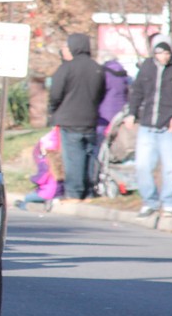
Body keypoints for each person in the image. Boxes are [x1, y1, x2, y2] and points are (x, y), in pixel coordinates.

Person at [49, 33, 106, 202]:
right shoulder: (97, 68)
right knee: (89, 156)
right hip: (90, 119)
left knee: (74, 157)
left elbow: (55, 94)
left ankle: (74, 192)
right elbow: (101, 93)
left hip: (69, 120)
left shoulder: (67, 68)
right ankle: (88, 191)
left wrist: (53, 111)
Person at [124, 40, 172, 217]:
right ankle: (150, 201)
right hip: (147, 126)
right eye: (160, 54)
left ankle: (169, 202)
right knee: (143, 166)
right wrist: (131, 113)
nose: (163, 58)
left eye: (166, 54)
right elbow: (137, 91)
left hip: (169, 127)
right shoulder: (147, 67)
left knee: (170, 167)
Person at [15, 128, 63, 212]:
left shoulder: (45, 162)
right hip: (59, 192)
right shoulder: (59, 162)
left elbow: (41, 178)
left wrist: (32, 178)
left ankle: (23, 205)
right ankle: (44, 204)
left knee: (28, 197)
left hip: (47, 193)